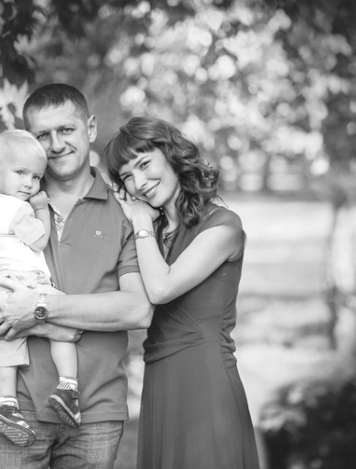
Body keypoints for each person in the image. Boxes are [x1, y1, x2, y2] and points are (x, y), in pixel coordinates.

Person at [0, 83, 152, 469]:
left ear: (90, 128)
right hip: (13, 408)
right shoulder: (1, 207)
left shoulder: (125, 209)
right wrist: (42, 323)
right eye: (42, 135)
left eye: (66, 130)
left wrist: (38, 307)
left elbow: (137, 309)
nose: (55, 145)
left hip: (96, 411)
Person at [104, 117, 260, 469]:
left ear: (172, 155)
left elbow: (161, 288)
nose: (139, 183)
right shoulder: (149, 234)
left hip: (206, 382)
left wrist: (140, 222)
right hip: (160, 382)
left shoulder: (223, 226)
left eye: (145, 164)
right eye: (127, 176)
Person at [0, 130, 81, 448]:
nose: (29, 184)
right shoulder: (17, 208)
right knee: (66, 317)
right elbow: (39, 240)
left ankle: (7, 405)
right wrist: (41, 209)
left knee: (4, 341)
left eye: (35, 177)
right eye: (21, 173)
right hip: (25, 281)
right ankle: (68, 387)